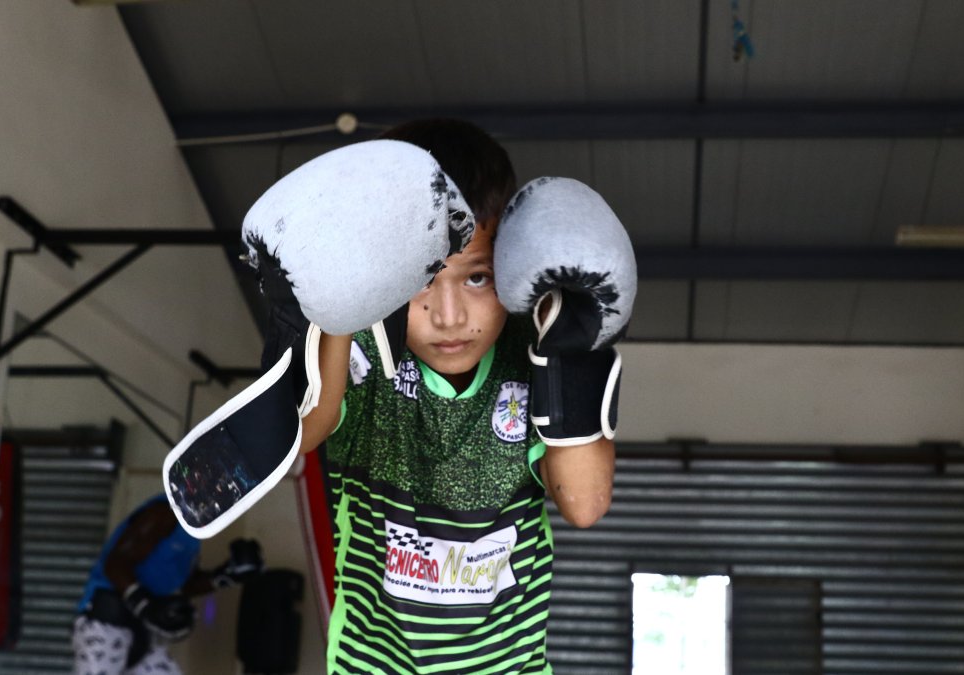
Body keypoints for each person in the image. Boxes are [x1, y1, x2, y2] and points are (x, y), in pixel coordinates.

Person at [292, 120, 631, 673]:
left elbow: (584, 505)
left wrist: (572, 352)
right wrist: (323, 297)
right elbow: (302, 431)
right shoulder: (365, 342)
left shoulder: (532, 349)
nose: (448, 317)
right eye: (421, 279)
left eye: (477, 279)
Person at [72, 494, 263, 675]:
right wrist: (145, 604)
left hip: (143, 630)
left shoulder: (194, 533)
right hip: (107, 623)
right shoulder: (166, 513)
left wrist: (225, 575)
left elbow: (183, 585)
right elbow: (115, 564)